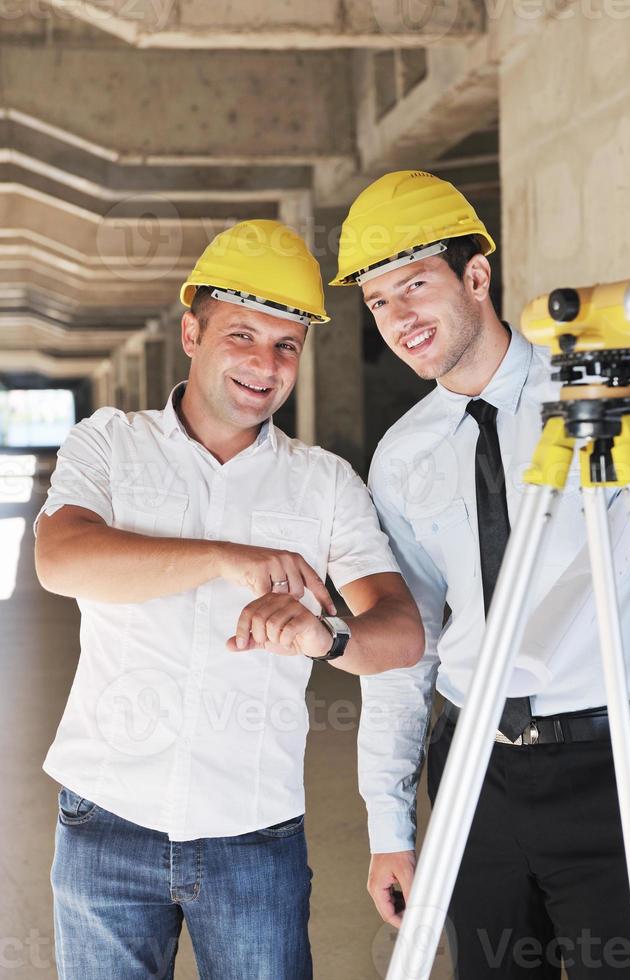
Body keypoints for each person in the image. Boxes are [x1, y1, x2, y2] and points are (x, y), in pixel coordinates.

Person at [34, 219, 424, 980]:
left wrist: (327, 639)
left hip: (253, 834)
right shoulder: (110, 442)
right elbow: (60, 557)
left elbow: (401, 633)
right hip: (106, 820)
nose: (264, 364)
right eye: (242, 335)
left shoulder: (325, 482)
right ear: (191, 331)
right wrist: (223, 557)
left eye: (287, 346)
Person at [331, 171, 630, 979]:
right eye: (377, 301)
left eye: (415, 285)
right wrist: (390, 828)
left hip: (615, 761)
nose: (399, 318)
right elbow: (408, 651)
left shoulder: (608, 400)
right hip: (477, 774)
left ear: (476, 277)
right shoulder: (401, 457)